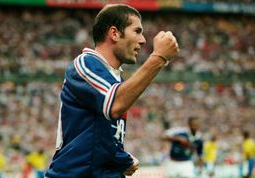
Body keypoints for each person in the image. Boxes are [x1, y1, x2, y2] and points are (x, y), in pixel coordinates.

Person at [45, 4, 179, 178]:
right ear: (114, 33)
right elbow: (114, 104)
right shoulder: (85, 64)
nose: (143, 40)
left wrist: (123, 159)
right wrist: (159, 57)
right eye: (137, 31)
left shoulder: (116, 82)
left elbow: (99, 137)